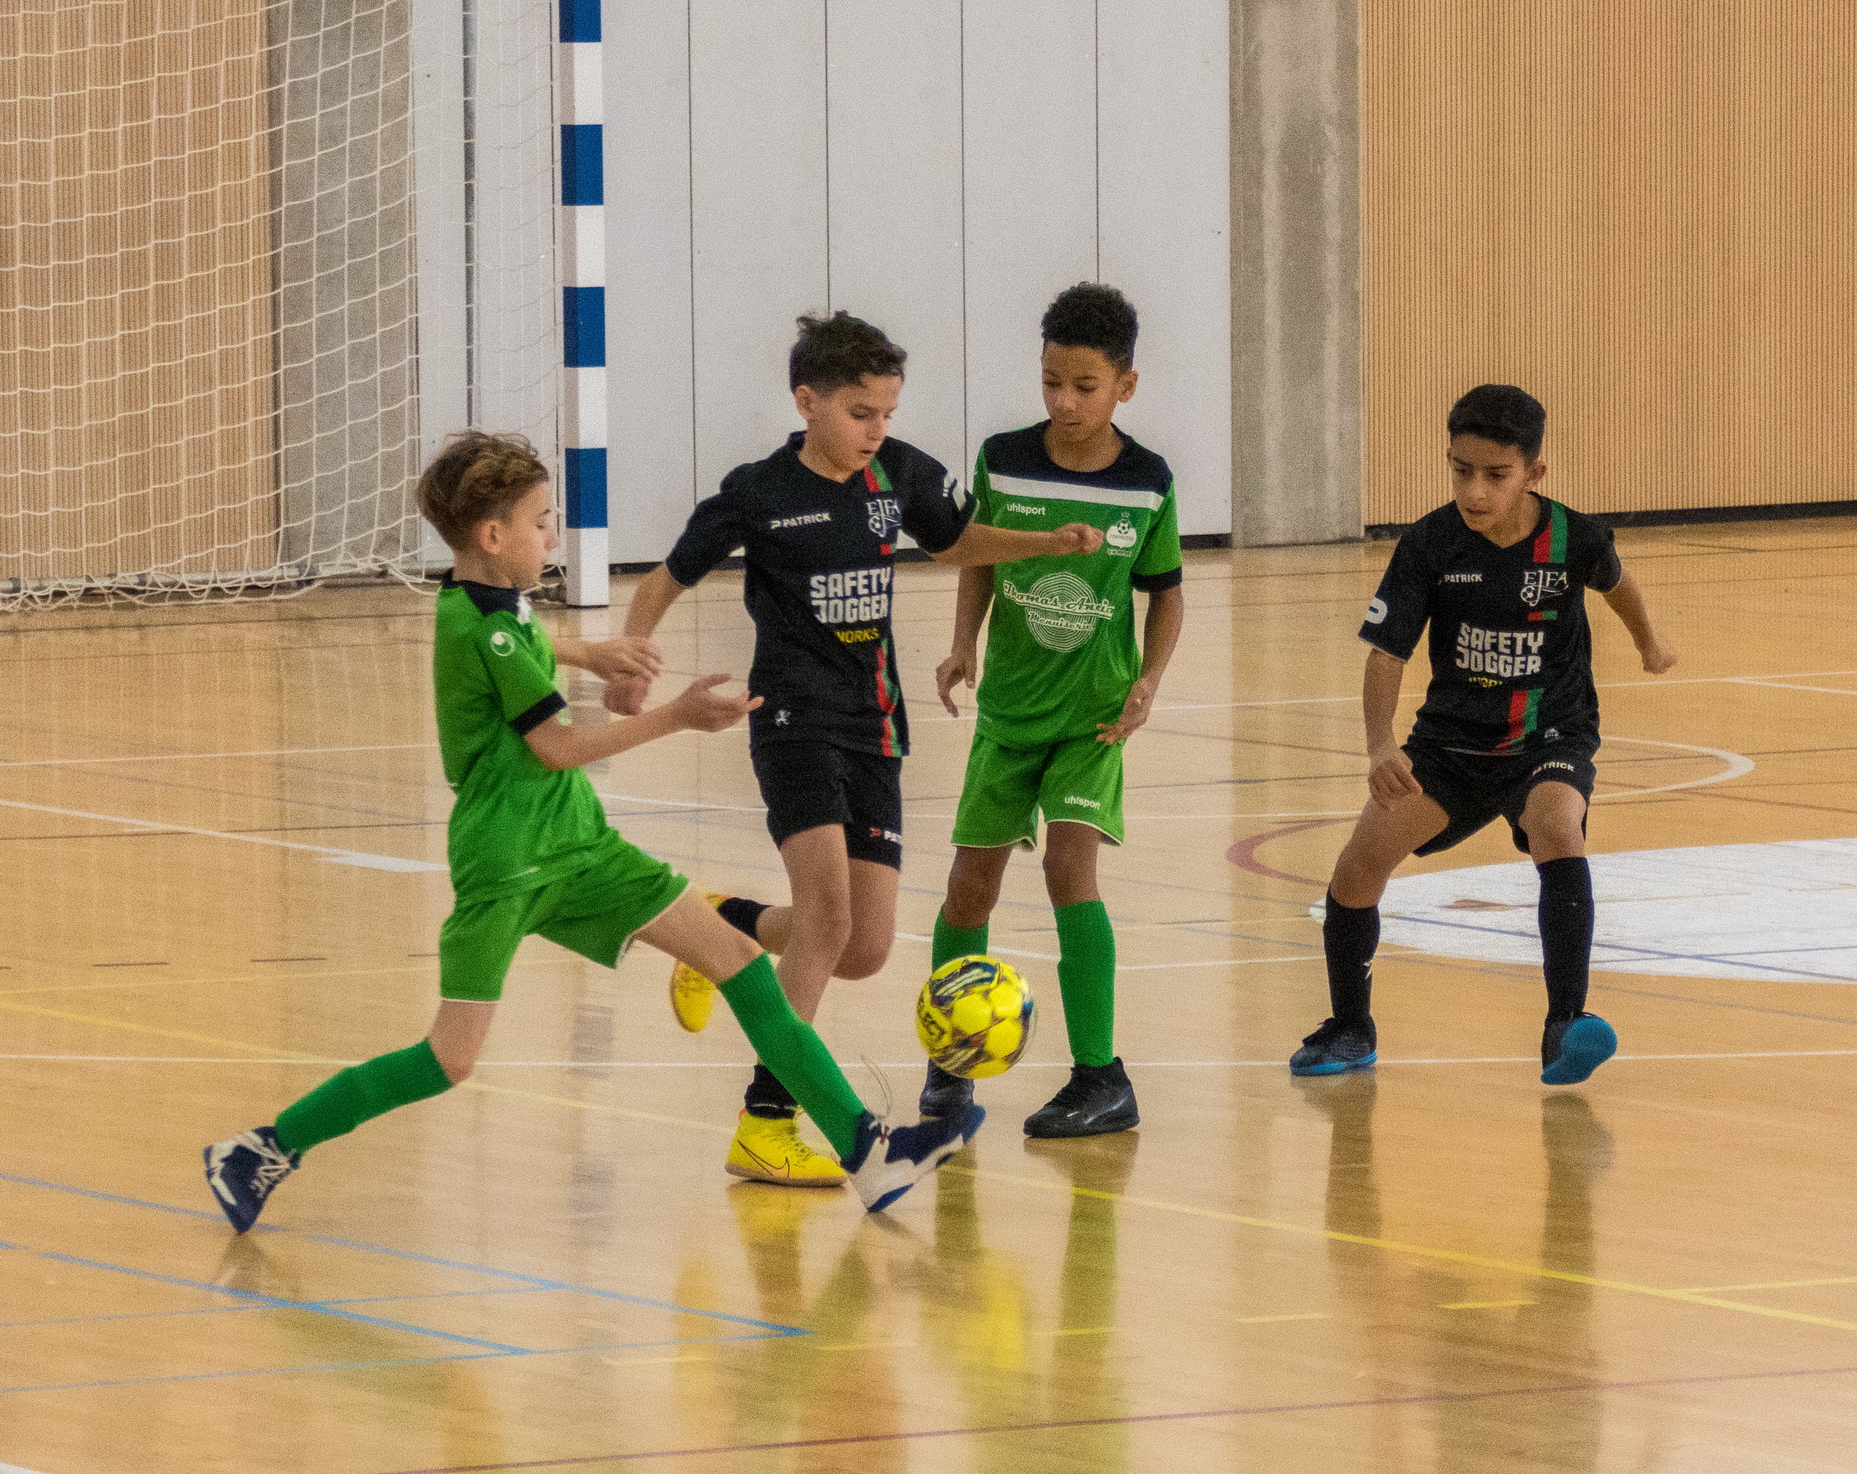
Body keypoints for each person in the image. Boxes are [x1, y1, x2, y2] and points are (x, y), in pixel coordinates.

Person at [203, 432, 984, 1228]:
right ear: (492, 534)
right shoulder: (487, 629)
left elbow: (518, 635)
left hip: (579, 844)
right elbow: (556, 746)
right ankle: (263, 1146)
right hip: (508, 860)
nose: (553, 537)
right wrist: (678, 716)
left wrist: (588, 652)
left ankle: (866, 1150)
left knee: (742, 963)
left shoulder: (477, 601)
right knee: (448, 1057)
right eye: (542, 522)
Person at [610, 312, 1104, 1187]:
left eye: (886, 413)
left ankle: (719, 925)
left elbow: (953, 541)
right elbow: (666, 575)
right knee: (828, 919)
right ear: (807, 402)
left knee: (864, 946)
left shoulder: (897, 472)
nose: (876, 429)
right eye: (860, 412)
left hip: (876, 725)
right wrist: (633, 653)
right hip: (791, 722)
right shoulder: (758, 491)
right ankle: (766, 1122)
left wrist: (1042, 542)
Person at [1290, 383, 1677, 1085]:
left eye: (1495, 475)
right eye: (1460, 470)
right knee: (1356, 869)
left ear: (1533, 472)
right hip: (1450, 745)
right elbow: (1387, 652)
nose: (1474, 490)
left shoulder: (1574, 539)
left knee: (1557, 826)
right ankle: (1350, 1027)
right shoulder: (1430, 543)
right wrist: (1380, 745)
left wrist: (1648, 640)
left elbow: (1618, 583)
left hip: (1549, 734)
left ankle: (1565, 1025)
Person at [922, 283, 1185, 1139]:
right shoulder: (1002, 459)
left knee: (1070, 870)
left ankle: (1100, 1075)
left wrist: (1148, 680)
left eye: (1083, 386)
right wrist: (962, 642)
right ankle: (950, 1062)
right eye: (1049, 382)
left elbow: (1166, 592)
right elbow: (975, 556)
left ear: (1124, 386)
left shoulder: (1146, 481)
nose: (1064, 402)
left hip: (1092, 719)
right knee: (969, 885)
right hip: (1008, 712)